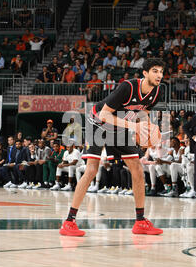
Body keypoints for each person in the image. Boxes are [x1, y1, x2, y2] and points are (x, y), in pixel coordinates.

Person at [59, 58, 165, 237]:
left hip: (121, 126)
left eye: (161, 71)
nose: (159, 75)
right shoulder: (128, 87)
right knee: (91, 170)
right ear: (145, 73)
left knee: (137, 169)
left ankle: (140, 222)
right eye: (155, 71)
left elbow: (141, 113)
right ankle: (69, 222)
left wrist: (146, 130)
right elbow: (104, 114)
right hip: (98, 122)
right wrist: (135, 127)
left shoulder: (156, 92)